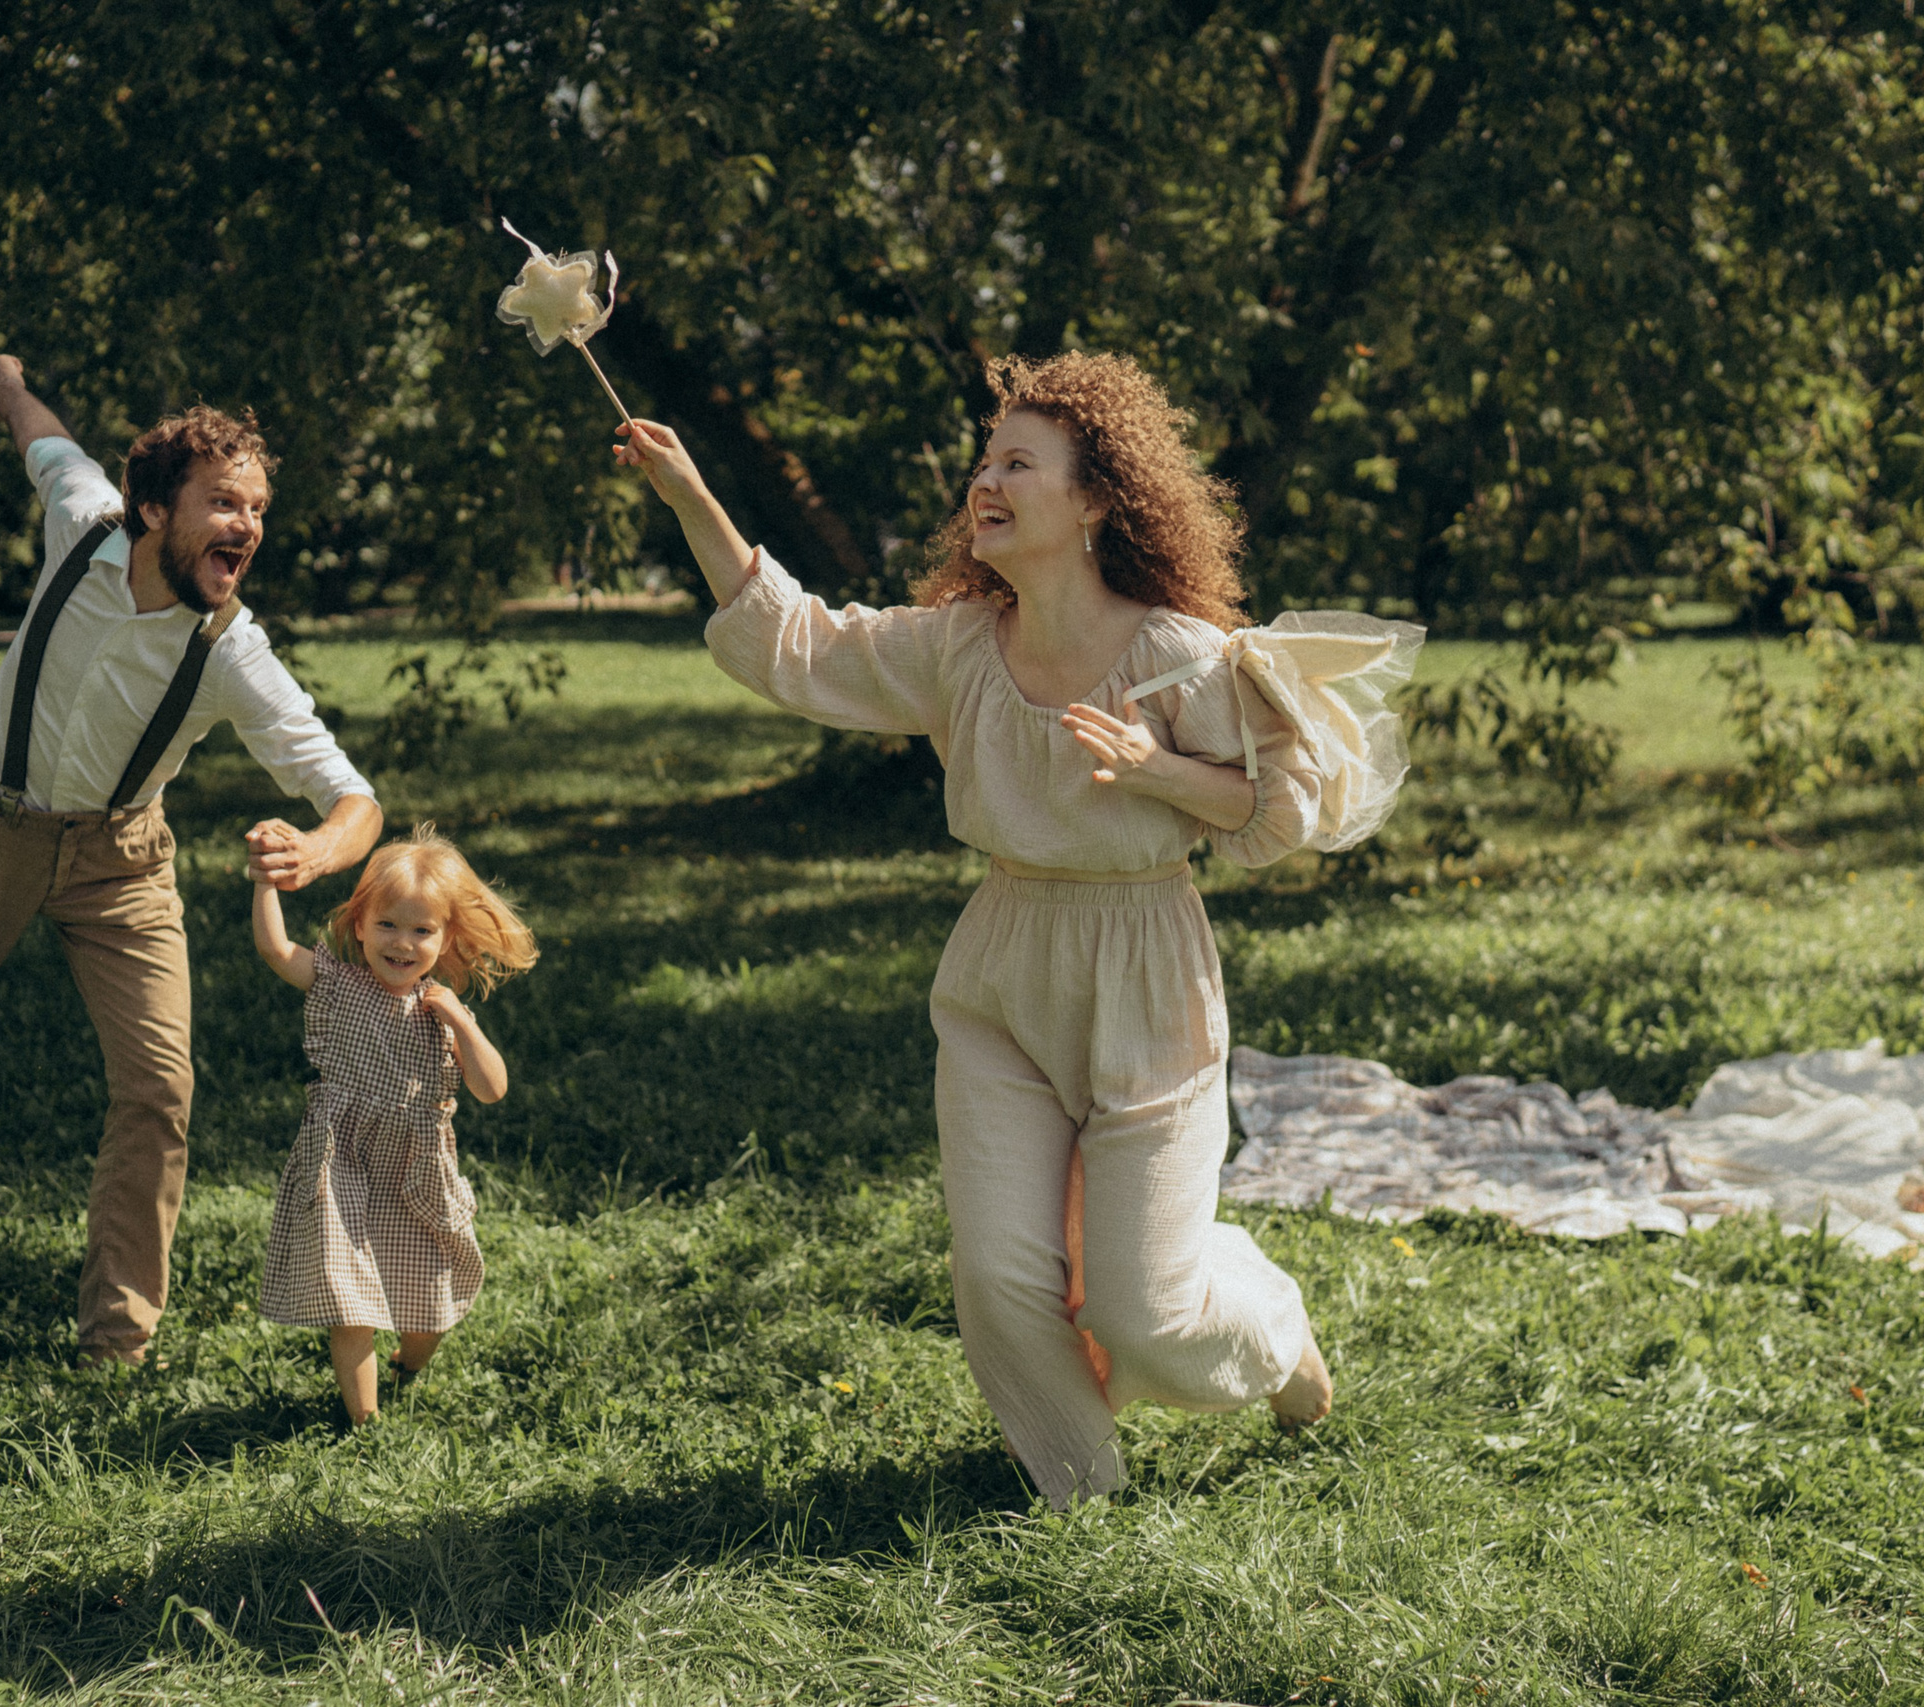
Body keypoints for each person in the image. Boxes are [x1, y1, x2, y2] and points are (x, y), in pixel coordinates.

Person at [614, 351, 1421, 1505]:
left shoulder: (1176, 655)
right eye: (983, 461)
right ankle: (1081, 1496)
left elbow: (1278, 816)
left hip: (1145, 971)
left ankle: (1274, 1330)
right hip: (1001, 962)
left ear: (1095, 501)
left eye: (1018, 465)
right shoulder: (954, 646)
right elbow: (796, 643)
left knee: (1143, 1306)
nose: (984, 482)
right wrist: (692, 494)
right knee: (1000, 1275)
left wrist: (1158, 771)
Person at [0, 353, 385, 1367]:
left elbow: (355, 798)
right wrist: (2, 383)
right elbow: (42, 439)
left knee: (159, 1087)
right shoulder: (82, 519)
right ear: (149, 511)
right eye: (224, 503)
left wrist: (317, 848)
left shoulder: (231, 650)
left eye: (258, 509)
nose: (248, 527)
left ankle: (115, 1347)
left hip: (121, 860)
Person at [249, 826, 536, 1424]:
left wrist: (463, 1023)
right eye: (387, 925)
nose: (402, 943)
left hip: (416, 1170)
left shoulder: (441, 1011)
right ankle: (366, 1425)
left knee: (430, 1303)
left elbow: (493, 1088)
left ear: (445, 938)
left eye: (421, 930)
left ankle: (408, 1362)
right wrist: (266, 882)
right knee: (349, 1300)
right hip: (344, 1159)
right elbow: (277, 950)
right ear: (359, 925)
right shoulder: (337, 981)